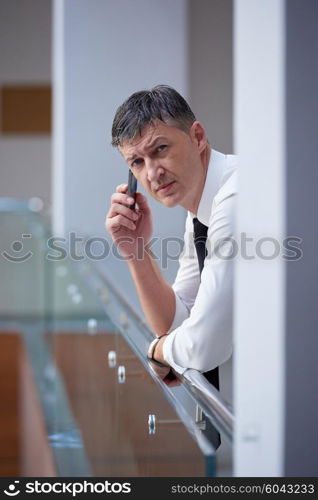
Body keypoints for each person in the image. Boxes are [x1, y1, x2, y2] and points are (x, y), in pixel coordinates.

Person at [105, 85, 237, 392]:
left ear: (198, 137)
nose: (152, 173)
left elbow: (203, 346)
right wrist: (136, 249)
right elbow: (177, 324)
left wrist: (156, 351)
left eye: (160, 149)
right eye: (136, 162)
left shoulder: (234, 199)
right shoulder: (201, 208)